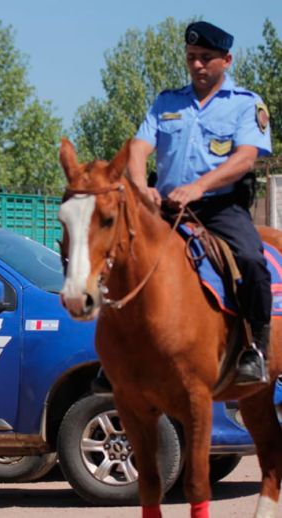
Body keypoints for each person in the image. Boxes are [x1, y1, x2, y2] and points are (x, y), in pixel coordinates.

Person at [93, 20, 273, 392]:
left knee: (252, 261)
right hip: (165, 206)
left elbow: (245, 158)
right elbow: (140, 148)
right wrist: (142, 188)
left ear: (227, 60)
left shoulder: (245, 104)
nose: (197, 65)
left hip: (220, 208)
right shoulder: (167, 102)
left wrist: (199, 187)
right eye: (191, 57)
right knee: (117, 257)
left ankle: (255, 349)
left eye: (206, 58)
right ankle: (110, 359)